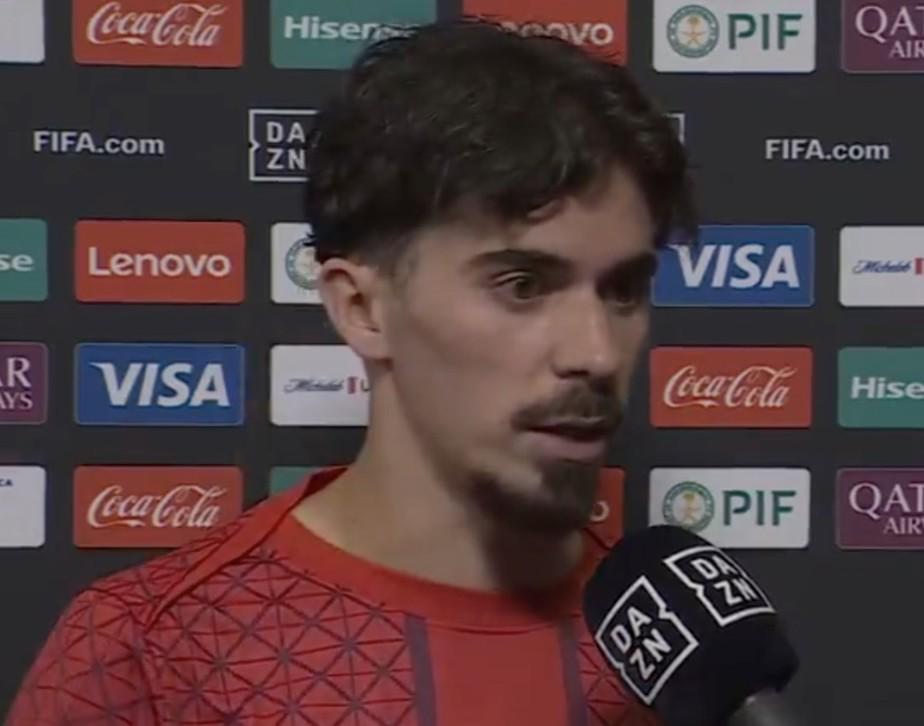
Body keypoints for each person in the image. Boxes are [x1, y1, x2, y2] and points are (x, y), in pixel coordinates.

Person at [5, 18, 694, 725]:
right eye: (522, 285)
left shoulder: (691, 654)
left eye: (623, 290)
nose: (596, 352)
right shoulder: (151, 655)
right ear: (362, 308)